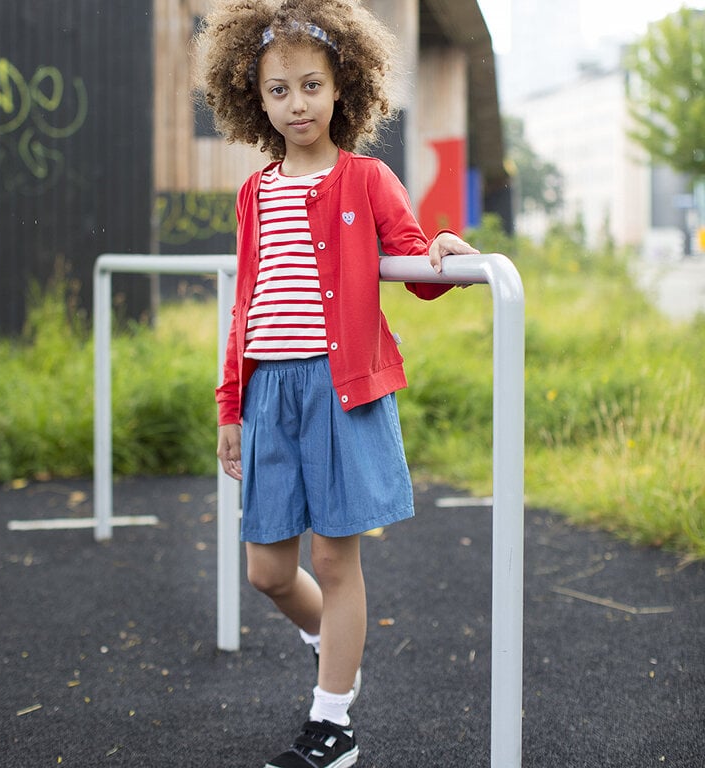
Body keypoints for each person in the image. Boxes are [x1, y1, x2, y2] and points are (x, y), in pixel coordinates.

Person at [197, 2, 478, 765]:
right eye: (279, 90)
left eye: (311, 86)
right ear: (254, 99)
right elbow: (246, 304)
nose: (297, 104)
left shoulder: (368, 178)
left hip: (342, 390)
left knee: (333, 561)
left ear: (341, 85)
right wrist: (231, 404)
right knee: (267, 572)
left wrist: (446, 249)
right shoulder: (255, 193)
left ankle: (333, 723)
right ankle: (334, 646)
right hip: (269, 395)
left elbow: (418, 263)